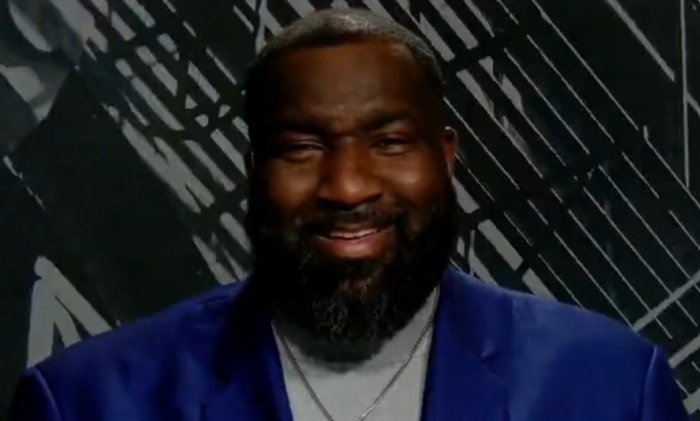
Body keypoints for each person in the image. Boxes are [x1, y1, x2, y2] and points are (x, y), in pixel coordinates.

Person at [10, 8, 689, 421]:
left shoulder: (611, 389)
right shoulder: (87, 402)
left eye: (389, 142)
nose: (348, 185)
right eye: (301, 148)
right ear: (254, 170)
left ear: (446, 157)